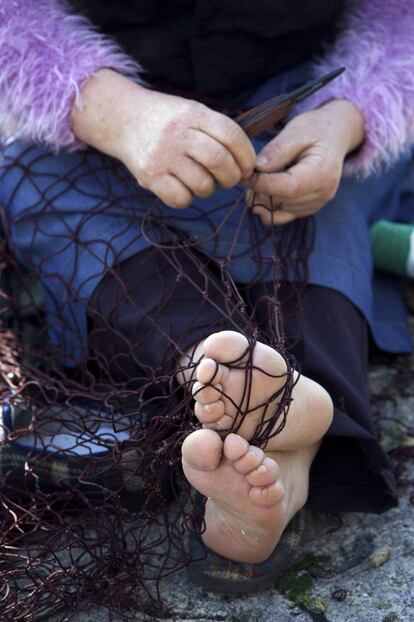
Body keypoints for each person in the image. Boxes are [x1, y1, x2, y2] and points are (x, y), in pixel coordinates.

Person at [0, 0, 414, 606]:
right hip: (93, 121)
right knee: (34, 180)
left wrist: (346, 123)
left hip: (303, 103)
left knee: (316, 207)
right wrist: (116, 114)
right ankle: (252, 402)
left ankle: (288, 437)